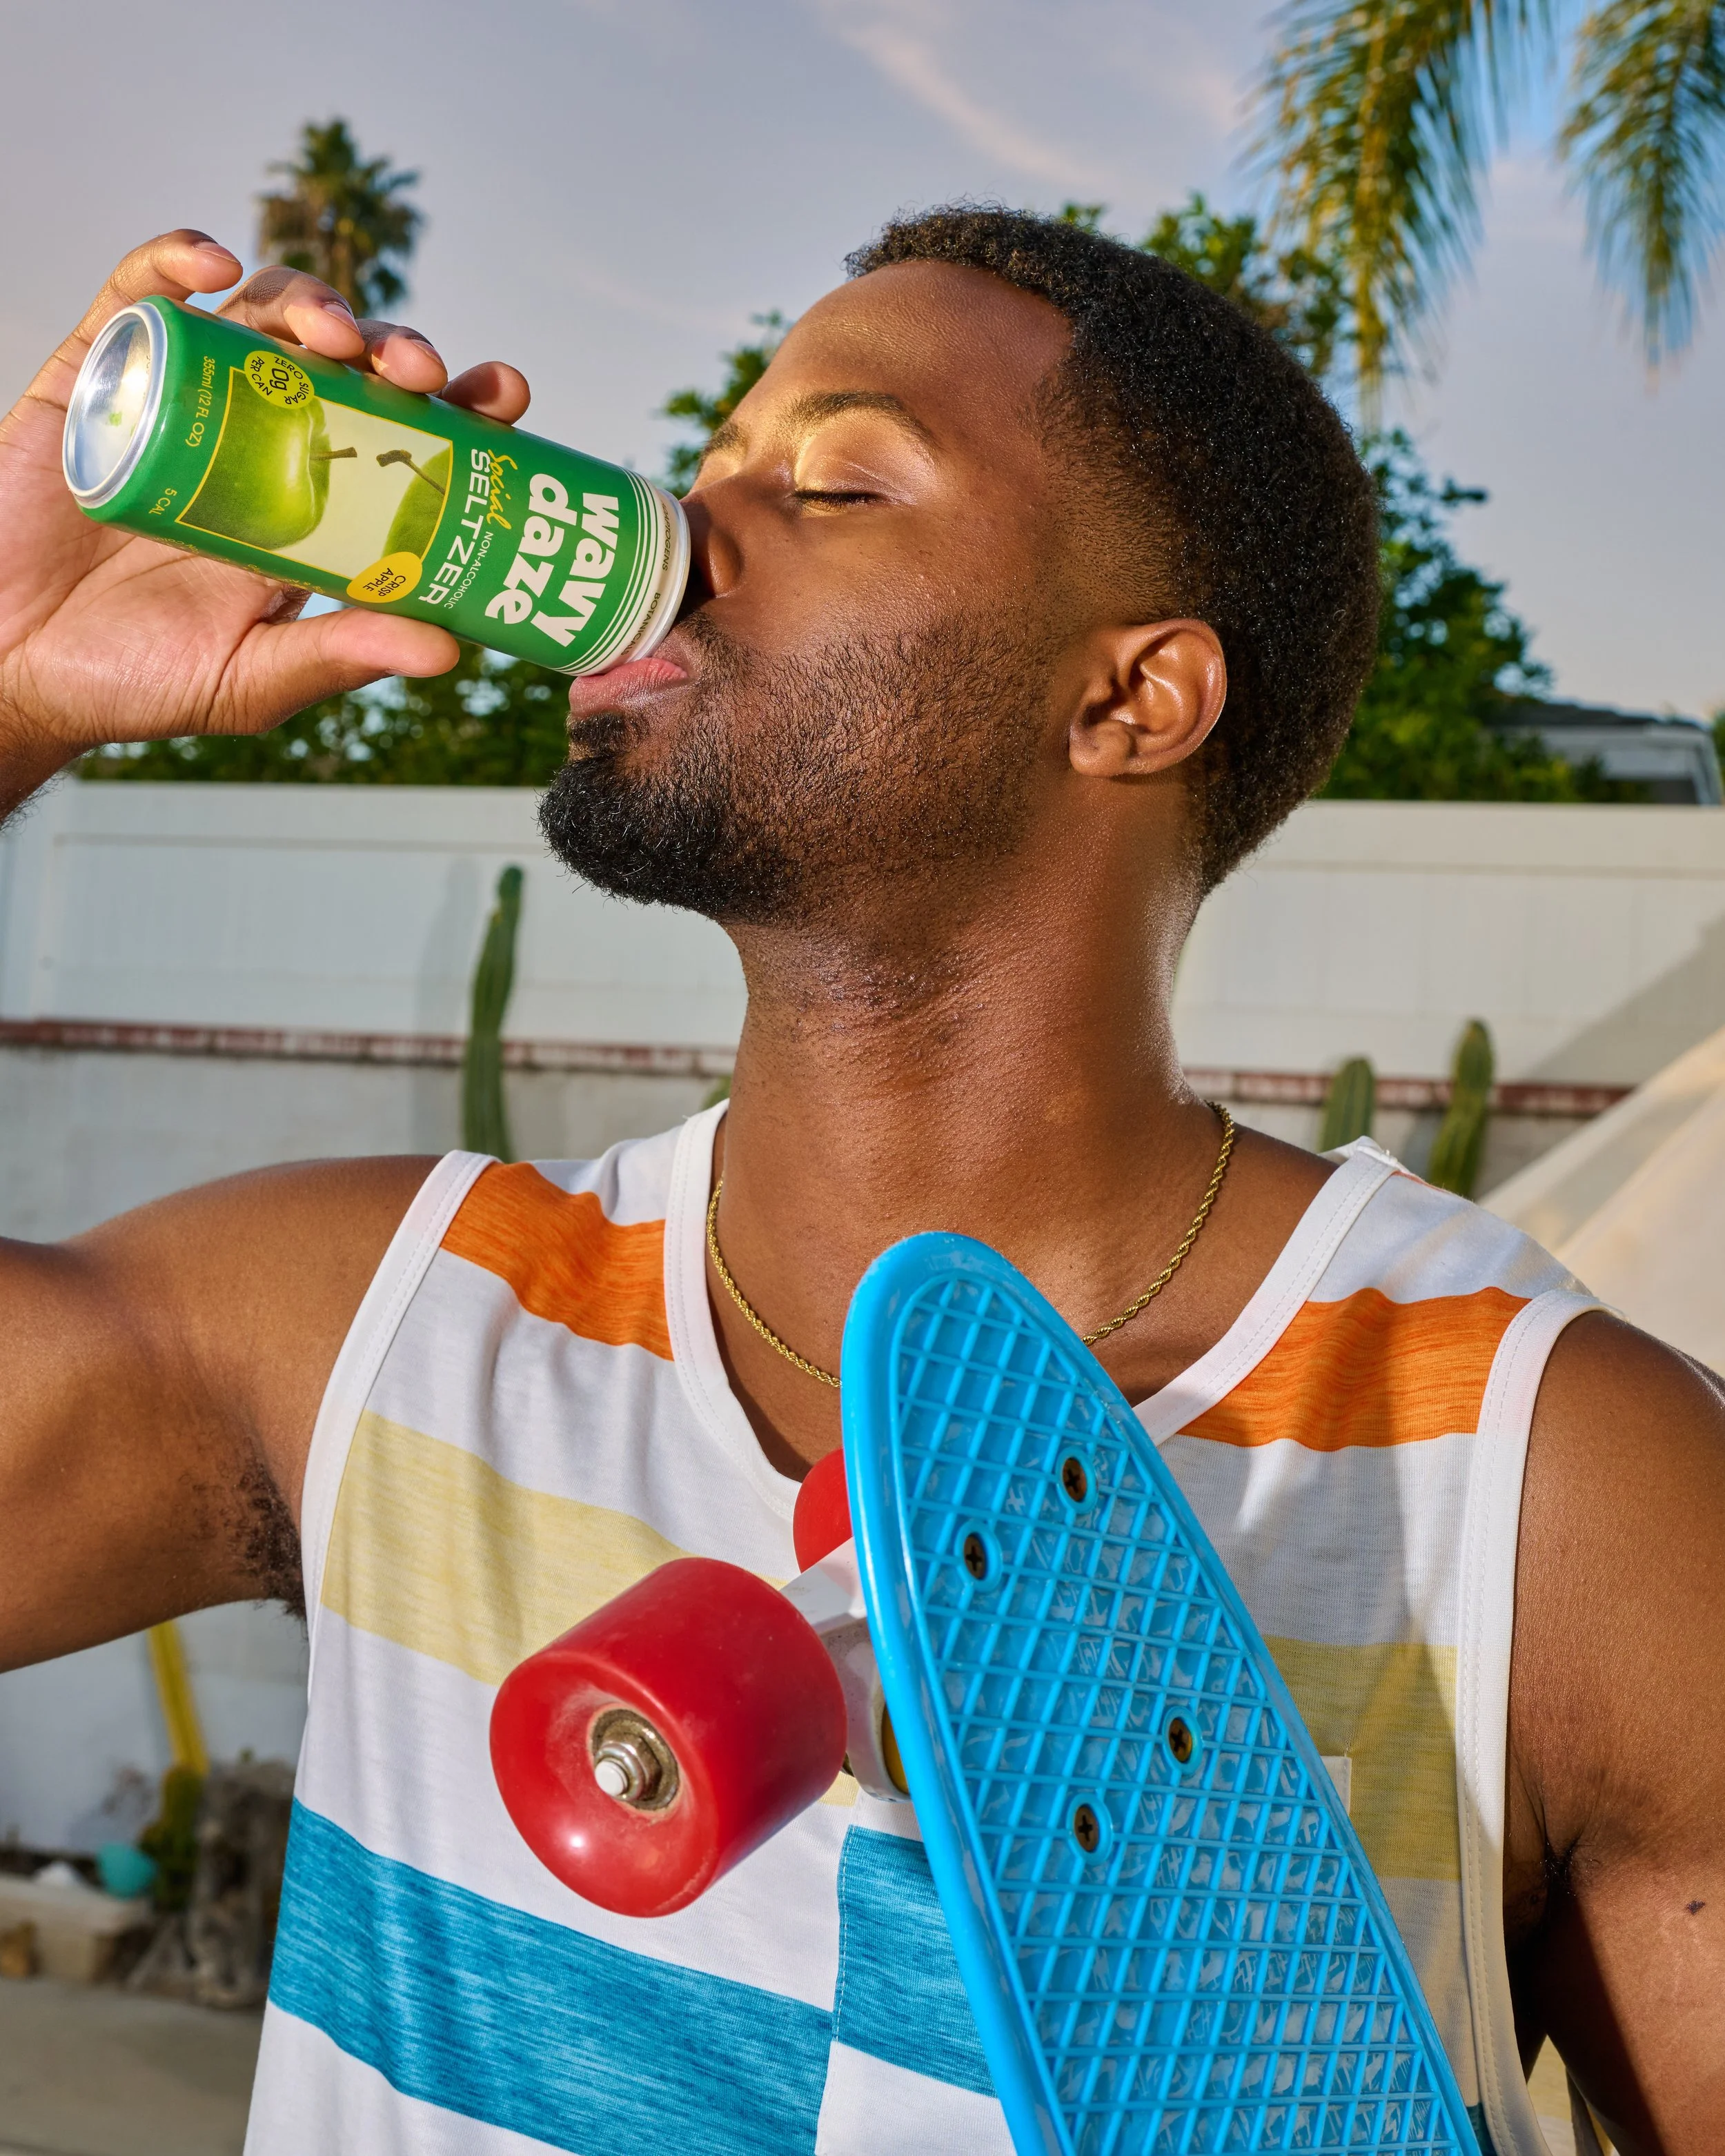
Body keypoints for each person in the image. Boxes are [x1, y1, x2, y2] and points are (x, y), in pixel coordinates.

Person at [0, 211, 1719, 2156]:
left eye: (830, 476)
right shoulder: (373, 1321)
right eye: (709, 461)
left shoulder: (1552, 1498)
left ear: (1130, 698)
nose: (682, 528)